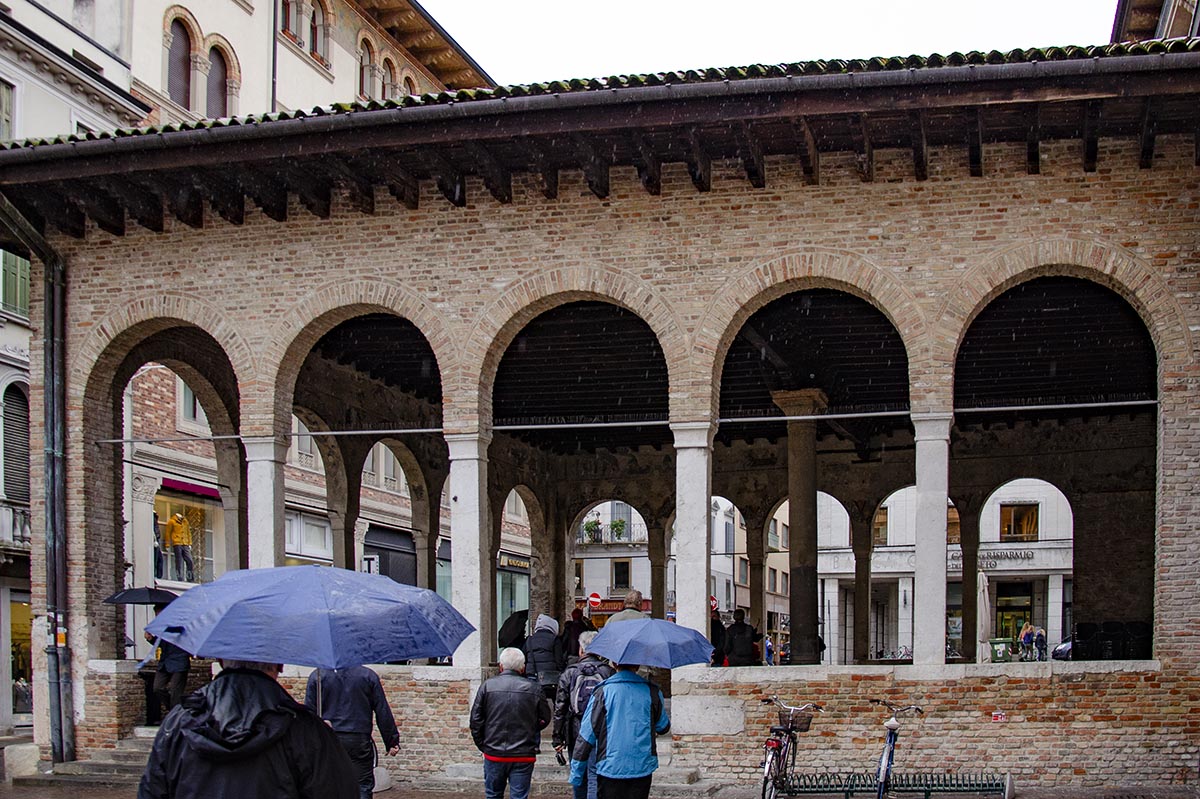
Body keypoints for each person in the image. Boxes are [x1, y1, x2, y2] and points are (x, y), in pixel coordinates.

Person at [137, 659, 357, 799]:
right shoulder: (306, 730)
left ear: (221, 660)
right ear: (279, 664)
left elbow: (152, 792)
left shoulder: (176, 723)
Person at [569, 662, 671, 799]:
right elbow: (663, 727)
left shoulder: (603, 692)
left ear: (614, 664)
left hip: (610, 766)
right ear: (638, 666)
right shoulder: (652, 691)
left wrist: (577, 773)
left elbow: (587, 735)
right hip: (641, 765)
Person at [305, 666, 400, 799]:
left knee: (330, 784)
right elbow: (382, 710)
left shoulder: (318, 676)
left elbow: (309, 714)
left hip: (328, 738)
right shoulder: (368, 676)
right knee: (362, 786)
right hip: (358, 738)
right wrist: (391, 740)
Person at [469, 647, 552, 799]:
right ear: (523, 667)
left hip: (494, 751)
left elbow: (476, 721)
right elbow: (545, 718)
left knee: (493, 795)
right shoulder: (533, 688)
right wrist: (530, 729)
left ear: (501, 666)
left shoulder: (487, 686)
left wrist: (483, 744)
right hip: (522, 752)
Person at [553, 631, 615, 799]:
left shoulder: (570, 672)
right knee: (595, 772)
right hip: (601, 729)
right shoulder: (608, 672)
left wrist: (557, 737)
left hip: (576, 729)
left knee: (578, 771)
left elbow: (560, 707)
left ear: (581, 650)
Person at [145, 606, 191, 714]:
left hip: (179, 661)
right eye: (156, 614)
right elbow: (163, 645)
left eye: (159, 614)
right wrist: (151, 639)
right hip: (165, 662)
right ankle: (174, 710)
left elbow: (179, 641)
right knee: (157, 688)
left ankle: (175, 715)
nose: (157, 617)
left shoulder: (179, 624)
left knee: (176, 691)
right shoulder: (162, 626)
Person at [523, 613, 564, 701]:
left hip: (532, 675)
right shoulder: (554, 639)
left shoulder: (529, 640)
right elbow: (559, 660)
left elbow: (524, 658)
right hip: (550, 677)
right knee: (555, 699)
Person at [164, 511, 194, 582]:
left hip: (185, 543)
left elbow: (188, 533)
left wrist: (189, 543)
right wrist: (167, 544)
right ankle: (180, 578)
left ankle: (190, 578)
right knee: (179, 562)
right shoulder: (172, 521)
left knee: (189, 560)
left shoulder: (185, 521)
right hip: (177, 543)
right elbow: (168, 533)